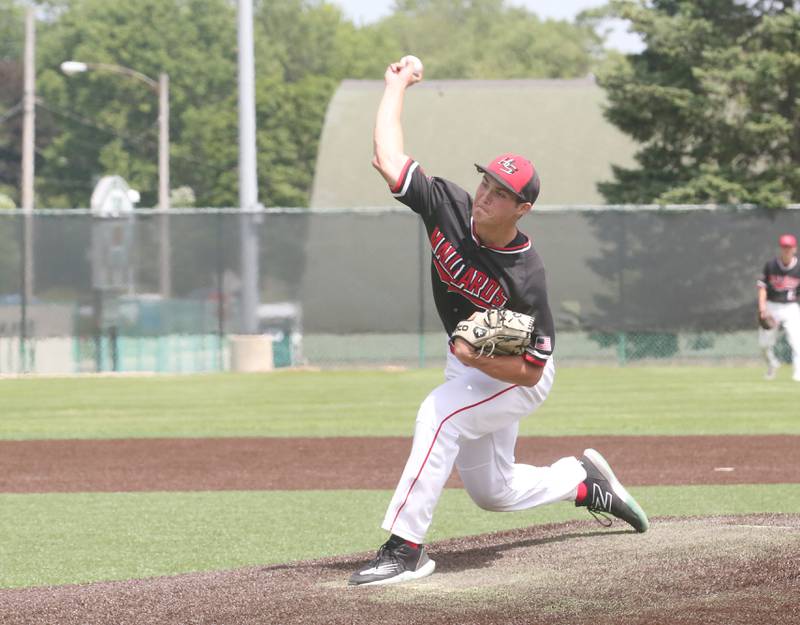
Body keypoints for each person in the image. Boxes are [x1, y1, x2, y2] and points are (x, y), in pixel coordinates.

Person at [348, 58, 649, 588]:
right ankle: (582, 482)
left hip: (516, 375)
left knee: (438, 416)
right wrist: (397, 83)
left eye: (500, 193)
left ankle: (405, 548)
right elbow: (387, 156)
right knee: (494, 492)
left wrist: (477, 356)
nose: (485, 196)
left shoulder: (526, 277)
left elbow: (532, 370)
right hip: (469, 363)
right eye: (485, 183)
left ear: (522, 208)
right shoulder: (446, 206)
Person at [757, 233, 800, 381]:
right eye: (784, 247)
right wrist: (762, 308)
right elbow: (762, 288)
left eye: (789, 247)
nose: (786, 250)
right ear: (780, 248)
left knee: (796, 341)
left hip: (791, 307)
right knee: (763, 344)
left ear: (795, 248)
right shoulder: (771, 266)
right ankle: (772, 364)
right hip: (772, 306)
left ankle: (798, 372)